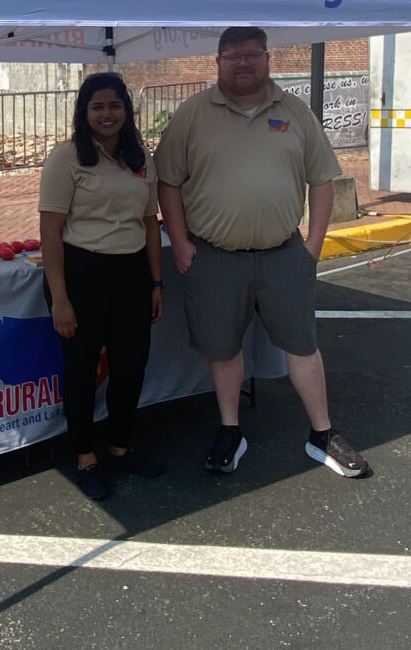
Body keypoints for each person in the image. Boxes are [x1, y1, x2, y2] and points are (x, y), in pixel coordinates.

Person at [155, 26, 368, 478]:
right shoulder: (194, 113)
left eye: (252, 54)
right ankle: (231, 430)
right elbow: (167, 181)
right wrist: (181, 242)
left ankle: (322, 434)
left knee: (302, 344)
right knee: (222, 347)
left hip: (284, 253)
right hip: (213, 257)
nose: (243, 63)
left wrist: (313, 244)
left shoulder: (295, 112)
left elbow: (323, 180)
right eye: (233, 56)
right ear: (217, 62)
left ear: (268, 59)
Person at [39, 72, 165, 500]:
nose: (107, 114)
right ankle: (85, 458)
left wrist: (156, 281)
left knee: (131, 367)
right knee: (81, 370)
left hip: (131, 275)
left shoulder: (140, 157)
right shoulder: (67, 157)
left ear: (127, 110)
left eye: (115, 105)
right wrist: (60, 298)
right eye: (98, 106)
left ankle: (119, 446)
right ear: (84, 111)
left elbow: (149, 223)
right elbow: (50, 232)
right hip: (81, 275)